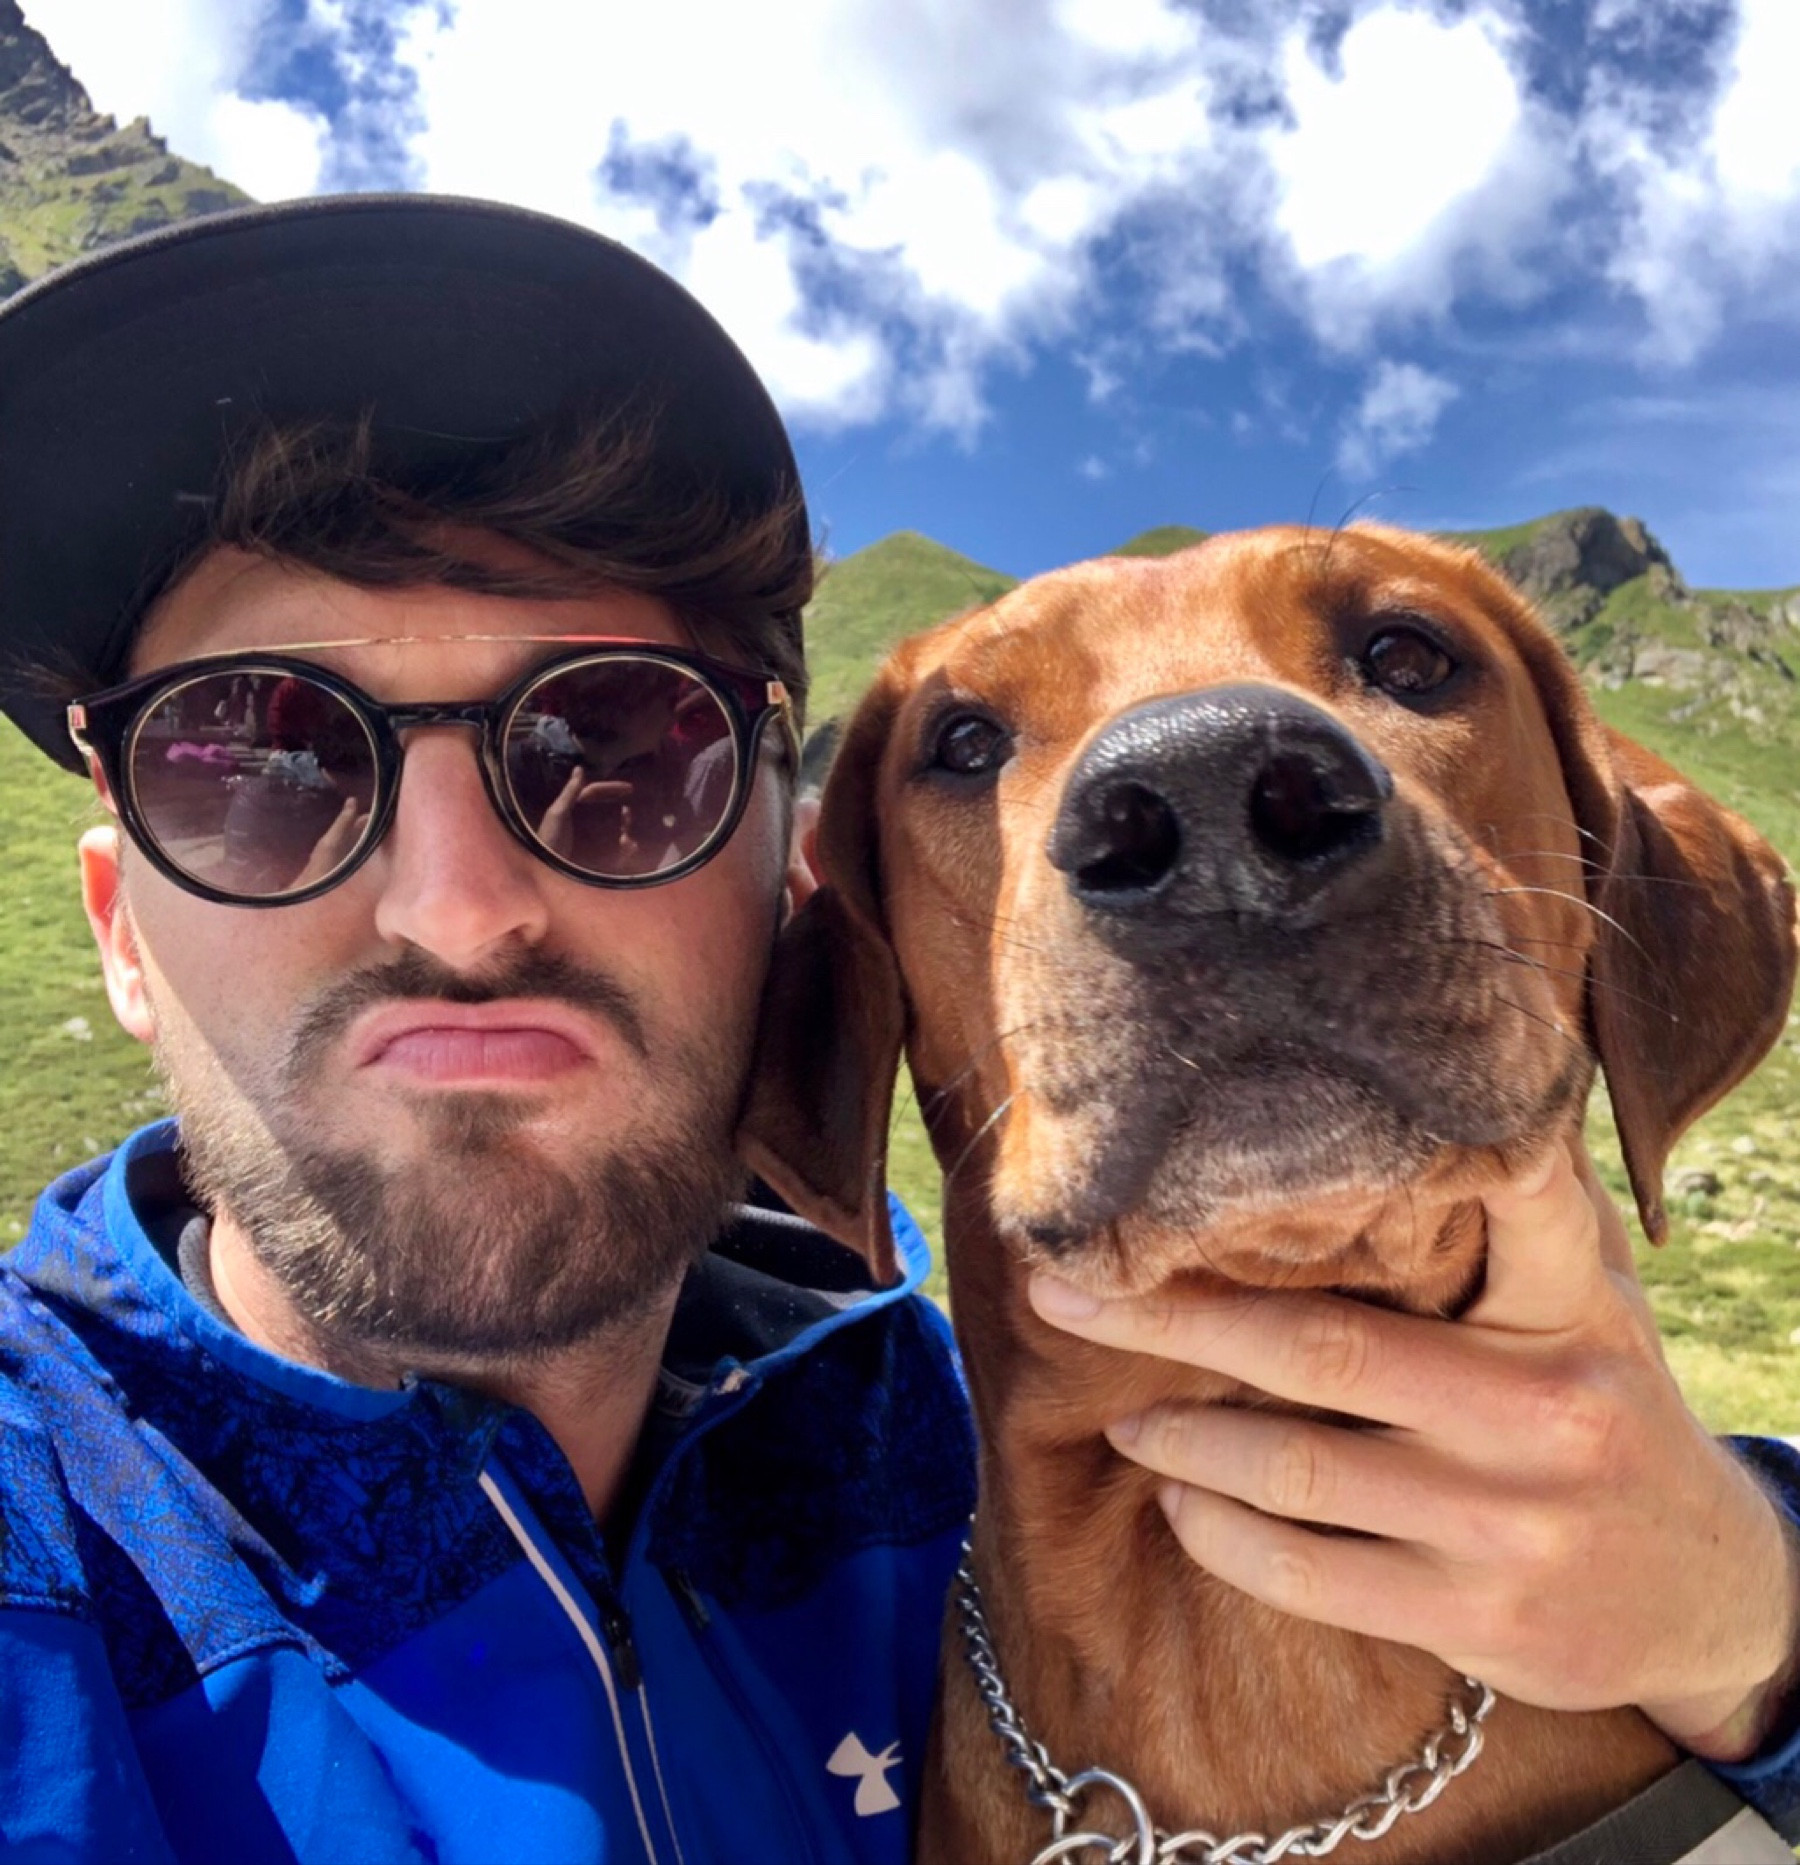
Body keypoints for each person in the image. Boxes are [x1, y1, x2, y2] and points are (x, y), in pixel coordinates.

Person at [0, 195, 1795, 1865]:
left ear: (788, 908)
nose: (457, 903)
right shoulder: (42, 1569)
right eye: (259, 759)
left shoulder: (916, 1455)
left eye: (612, 746)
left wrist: (1753, 1618)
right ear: (121, 931)